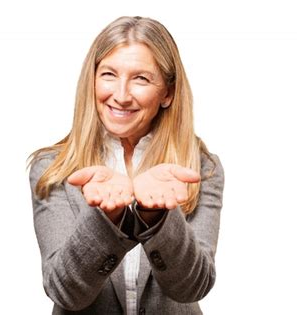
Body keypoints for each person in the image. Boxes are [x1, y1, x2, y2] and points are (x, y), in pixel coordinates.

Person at [28, 16, 224, 315]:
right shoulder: (52, 168)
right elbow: (64, 292)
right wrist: (108, 218)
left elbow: (193, 287)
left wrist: (156, 216)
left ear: (167, 93)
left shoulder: (200, 168)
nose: (120, 95)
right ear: (92, 80)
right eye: (108, 74)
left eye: (141, 78)